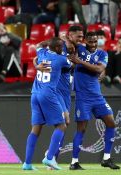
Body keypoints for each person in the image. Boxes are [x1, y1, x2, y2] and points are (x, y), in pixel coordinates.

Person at [68, 31, 120, 170]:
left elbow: (98, 69)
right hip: (82, 97)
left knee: (111, 123)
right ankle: (74, 162)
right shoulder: (79, 49)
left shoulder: (103, 54)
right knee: (82, 129)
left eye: (95, 41)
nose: (93, 44)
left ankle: (106, 159)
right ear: (85, 41)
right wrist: (71, 41)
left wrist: (79, 62)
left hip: (97, 97)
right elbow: (65, 39)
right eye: (90, 42)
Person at [33, 25, 84, 164]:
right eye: (78, 36)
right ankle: (50, 156)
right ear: (70, 35)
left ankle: (52, 157)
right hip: (56, 91)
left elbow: (70, 65)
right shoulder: (62, 45)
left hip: (66, 91)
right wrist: (36, 64)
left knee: (65, 123)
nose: (81, 39)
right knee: (63, 122)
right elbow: (42, 49)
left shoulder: (76, 48)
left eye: (82, 36)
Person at [22, 37, 71, 170]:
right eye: (61, 46)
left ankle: (27, 164)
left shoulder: (42, 53)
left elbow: (38, 44)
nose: (63, 48)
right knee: (61, 126)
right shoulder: (61, 59)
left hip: (35, 94)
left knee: (35, 129)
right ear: (56, 48)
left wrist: (35, 63)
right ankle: (49, 158)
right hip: (48, 94)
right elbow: (70, 64)